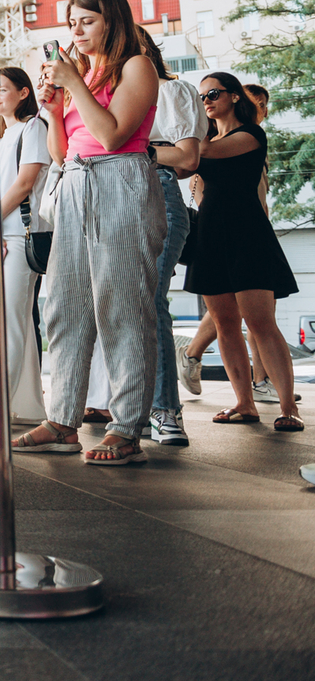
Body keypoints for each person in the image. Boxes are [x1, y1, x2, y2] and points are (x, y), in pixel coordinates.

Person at [13, 0, 163, 466]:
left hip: (121, 181)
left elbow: (114, 135)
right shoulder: (87, 73)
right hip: (75, 182)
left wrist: (75, 85)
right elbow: (63, 152)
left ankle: (126, 428)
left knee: (121, 306)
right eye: (72, 22)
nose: (76, 31)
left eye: (87, 21)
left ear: (111, 20)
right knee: (62, 305)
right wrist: (56, 112)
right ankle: (62, 421)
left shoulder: (135, 67)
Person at [186, 71, 301, 431]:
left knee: (260, 322)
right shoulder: (204, 139)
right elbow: (188, 171)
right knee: (224, 324)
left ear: (235, 96)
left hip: (247, 234)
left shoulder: (250, 135)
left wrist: (175, 142)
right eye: (202, 97)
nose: (207, 101)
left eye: (213, 93)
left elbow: (203, 155)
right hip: (211, 234)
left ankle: (288, 408)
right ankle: (244, 403)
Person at [139, 32, 205, 445]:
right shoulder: (103, 97)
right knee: (120, 305)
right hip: (109, 197)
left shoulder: (170, 90)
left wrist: (135, 148)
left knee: (150, 300)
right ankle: (135, 408)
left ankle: (165, 410)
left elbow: (186, 159)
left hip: (158, 192)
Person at [0, 68, 50, 423]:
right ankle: (26, 406)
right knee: (16, 322)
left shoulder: (34, 127)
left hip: (19, 233)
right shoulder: (2, 135)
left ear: (23, 92)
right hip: (3, 233)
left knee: (11, 320)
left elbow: (25, 181)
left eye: (2, 89)